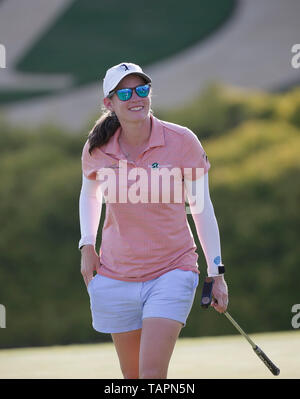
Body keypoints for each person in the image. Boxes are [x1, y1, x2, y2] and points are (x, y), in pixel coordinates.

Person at [79, 62, 229, 379]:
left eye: (143, 89)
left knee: (151, 375)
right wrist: (87, 245)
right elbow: (90, 196)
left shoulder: (182, 141)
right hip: (116, 274)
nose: (137, 98)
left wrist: (216, 271)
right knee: (132, 378)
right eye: (125, 92)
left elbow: (202, 209)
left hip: (172, 270)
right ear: (109, 102)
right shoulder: (96, 148)